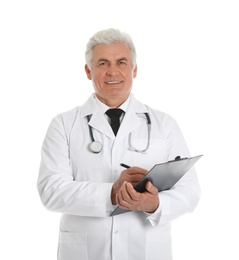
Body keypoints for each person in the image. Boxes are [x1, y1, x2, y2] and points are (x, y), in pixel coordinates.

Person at [37, 28, 200, 260]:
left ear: (134, 69)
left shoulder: (165, 124)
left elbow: (190, 191)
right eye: (102, 63)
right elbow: (51, 191)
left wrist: (155, 204)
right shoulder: (63, 124)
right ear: (88, 70)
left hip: (146, 250)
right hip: (86, 252)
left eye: (121, 62)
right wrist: (111, 194)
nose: (112, 71)